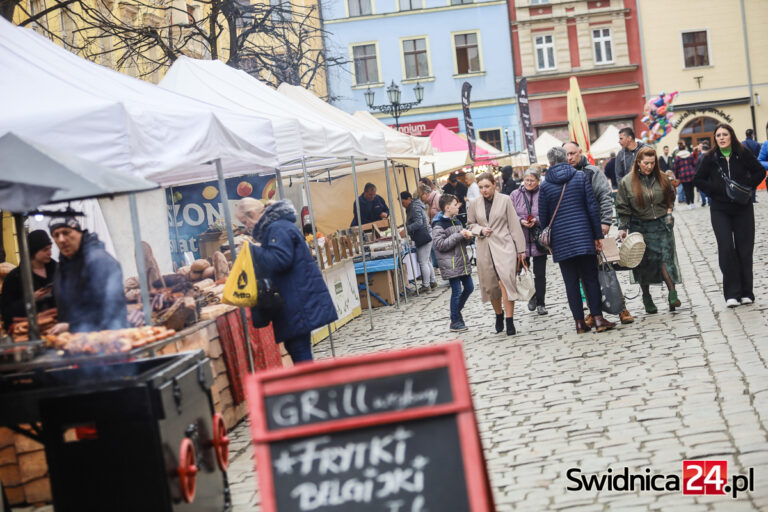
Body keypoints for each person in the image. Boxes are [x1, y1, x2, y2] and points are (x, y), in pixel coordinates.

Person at [236, 198, 338, 362]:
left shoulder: (277, 228)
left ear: (253, 214)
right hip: (296, 298)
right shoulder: (278, 227)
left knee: (300, 352)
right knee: (297, 349)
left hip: (296, 301)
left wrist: (251, 250)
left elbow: (280, 260)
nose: (245, 227)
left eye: (244, 221)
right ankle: (310, 386)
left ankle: (311, 387)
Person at [538, 147, 615, 334]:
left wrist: (550, 244)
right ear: (565, 158)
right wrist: (597, 236)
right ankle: (597, 318)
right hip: (584, 237)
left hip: (561, 241)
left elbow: (544, 218)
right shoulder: (579, 177)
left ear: (549, 163)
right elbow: (591, 208)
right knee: (590, 279)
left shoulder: (545, 185)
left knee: (571, 282)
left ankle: (579, 323)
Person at [693, 123, 766, 308]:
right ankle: (732, 294)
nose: (722, 138)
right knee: (726, 248)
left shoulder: (743, 153)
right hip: (720, 209)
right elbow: (698, 179)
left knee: (744, 249)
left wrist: (747, 185)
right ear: (715, 138)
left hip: (743, 207)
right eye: (718, 135)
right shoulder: (710, 157)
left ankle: (746, 292)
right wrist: (715, 191)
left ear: (731, 136)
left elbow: (760, 171)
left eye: (725, 134)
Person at [564, 141, 635, 325]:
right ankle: (594, 311)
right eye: (566, 154)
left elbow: (604, 196)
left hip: (595, 228)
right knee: (584, 274)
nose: (570, 157)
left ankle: (621, 308)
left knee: (607, 269)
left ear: (580, 152)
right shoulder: (564, 175)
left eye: (573, 153)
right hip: (576, 232)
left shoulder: (592, 171)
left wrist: (605, 222)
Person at [616, 147, 682, 313]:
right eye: (646, 163)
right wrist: (623, 228)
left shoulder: (663, 178)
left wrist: (668, 212)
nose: (649, 166)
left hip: (661, 225)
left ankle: (672, 294)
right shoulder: (627, 182)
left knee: (665, 257)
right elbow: (623, 207)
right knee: (644, 262)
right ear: (638, 162)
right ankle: (647, 297)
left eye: (653, 163)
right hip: (640, 226)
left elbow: (671, 198)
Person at [467, 172, 526, 335]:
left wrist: (521, 249)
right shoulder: (474, 203)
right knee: (492, 287)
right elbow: (470, 225)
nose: (484, 190)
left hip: (504, 246)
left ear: (494, 185)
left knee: (506, 282)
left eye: (487, 186)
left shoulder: (505, 200)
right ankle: (498, 315)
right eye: (480, 187)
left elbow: (514, 225)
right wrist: (480, 230)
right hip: (485, 249)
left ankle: (510, 320)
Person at [48, 216, 128, 334]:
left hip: (107, 340)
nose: (61, 240)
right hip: (74, 343)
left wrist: (71, 326)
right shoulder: (62, 266)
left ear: (78, 232)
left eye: (66, 232)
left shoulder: (99, 260)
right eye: (56, 235)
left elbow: (112, 308)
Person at [431, 194, 474, 332]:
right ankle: (455, 321)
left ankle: (455, 314)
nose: (458, 206)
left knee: (470, 287)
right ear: (448, 208)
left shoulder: (456, 220)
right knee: (456, 291)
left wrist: (467, 238)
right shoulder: (438, 224)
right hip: (451, 263)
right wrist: (459, 235)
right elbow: (440, 245)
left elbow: (460, 240)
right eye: (455, 204)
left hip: (461, 260)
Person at [0, 230, 57, 330]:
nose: (50, 253)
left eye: (50, 248)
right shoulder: (15, 278)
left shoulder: (58, 270)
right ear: (34, 252)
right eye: (45, 250)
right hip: (27, 329)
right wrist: (30, 299)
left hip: (57, 326)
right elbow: (6, 312)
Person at [509, 168, 548, 315]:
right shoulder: (515, 195)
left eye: (532, 180)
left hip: (539, 240)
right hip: (521, 240)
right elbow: (510, 214)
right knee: (526, 271)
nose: (529, 183)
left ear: (538, 181)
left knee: (540, 273)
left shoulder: (543, 194)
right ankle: (532, 296)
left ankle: (541, 303)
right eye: (527, 180)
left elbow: (548, 213)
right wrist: (521, 221)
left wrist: (536, 221)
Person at [400, 191, 436, 293]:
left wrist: (407, 229)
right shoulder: (413, 206)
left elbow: (419, 223)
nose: (403, 205)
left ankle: (426, 285)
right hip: (425, 234)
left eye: (403, 202)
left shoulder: (414, 207)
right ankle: (432, 281)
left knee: (423, 262)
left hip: (423, 236)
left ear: (408, 199)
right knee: (426, 260)